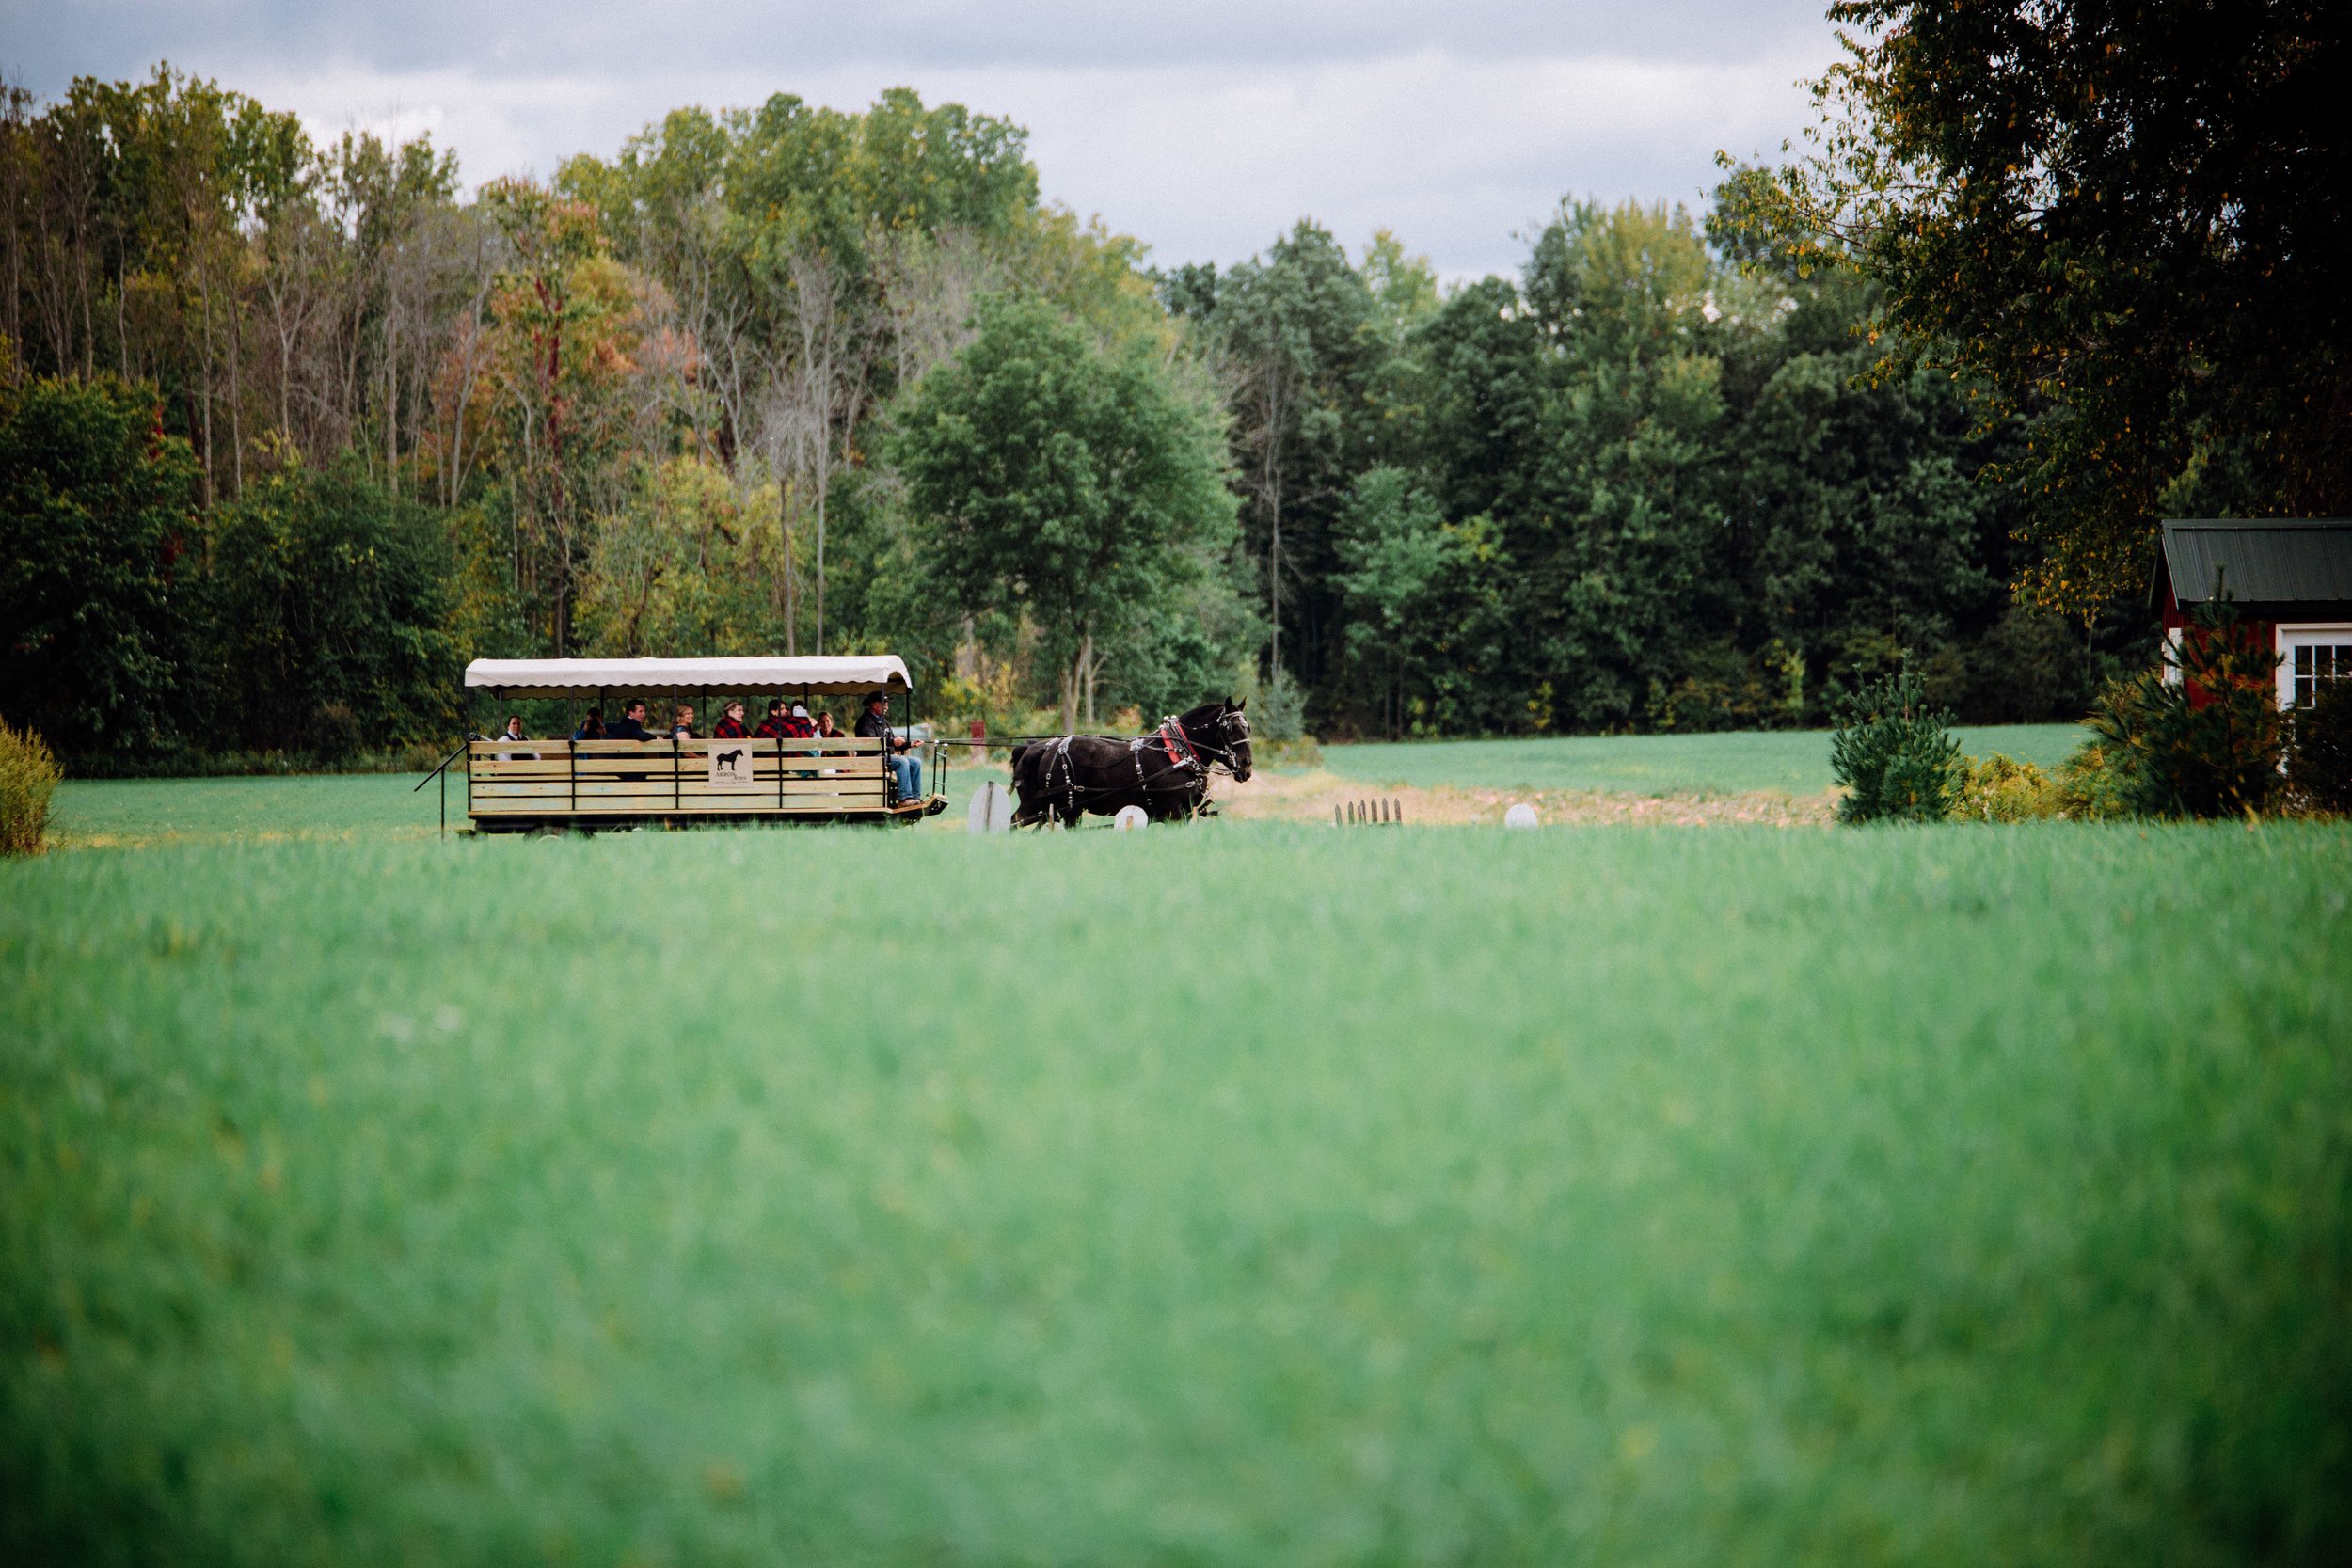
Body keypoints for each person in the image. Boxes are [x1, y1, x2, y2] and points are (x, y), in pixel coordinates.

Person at [857, 690, 920, 800]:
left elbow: (893, 743)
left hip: (885, 757)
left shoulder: (884, 722)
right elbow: (871, 745)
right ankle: (904, 799)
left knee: (916, 762)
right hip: (872, 758)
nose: (887, 707)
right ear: (875, 705)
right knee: (902, 762)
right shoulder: (864, 722)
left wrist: (910, 744)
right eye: (884, 703)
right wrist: (892, 742)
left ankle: (915, 798)